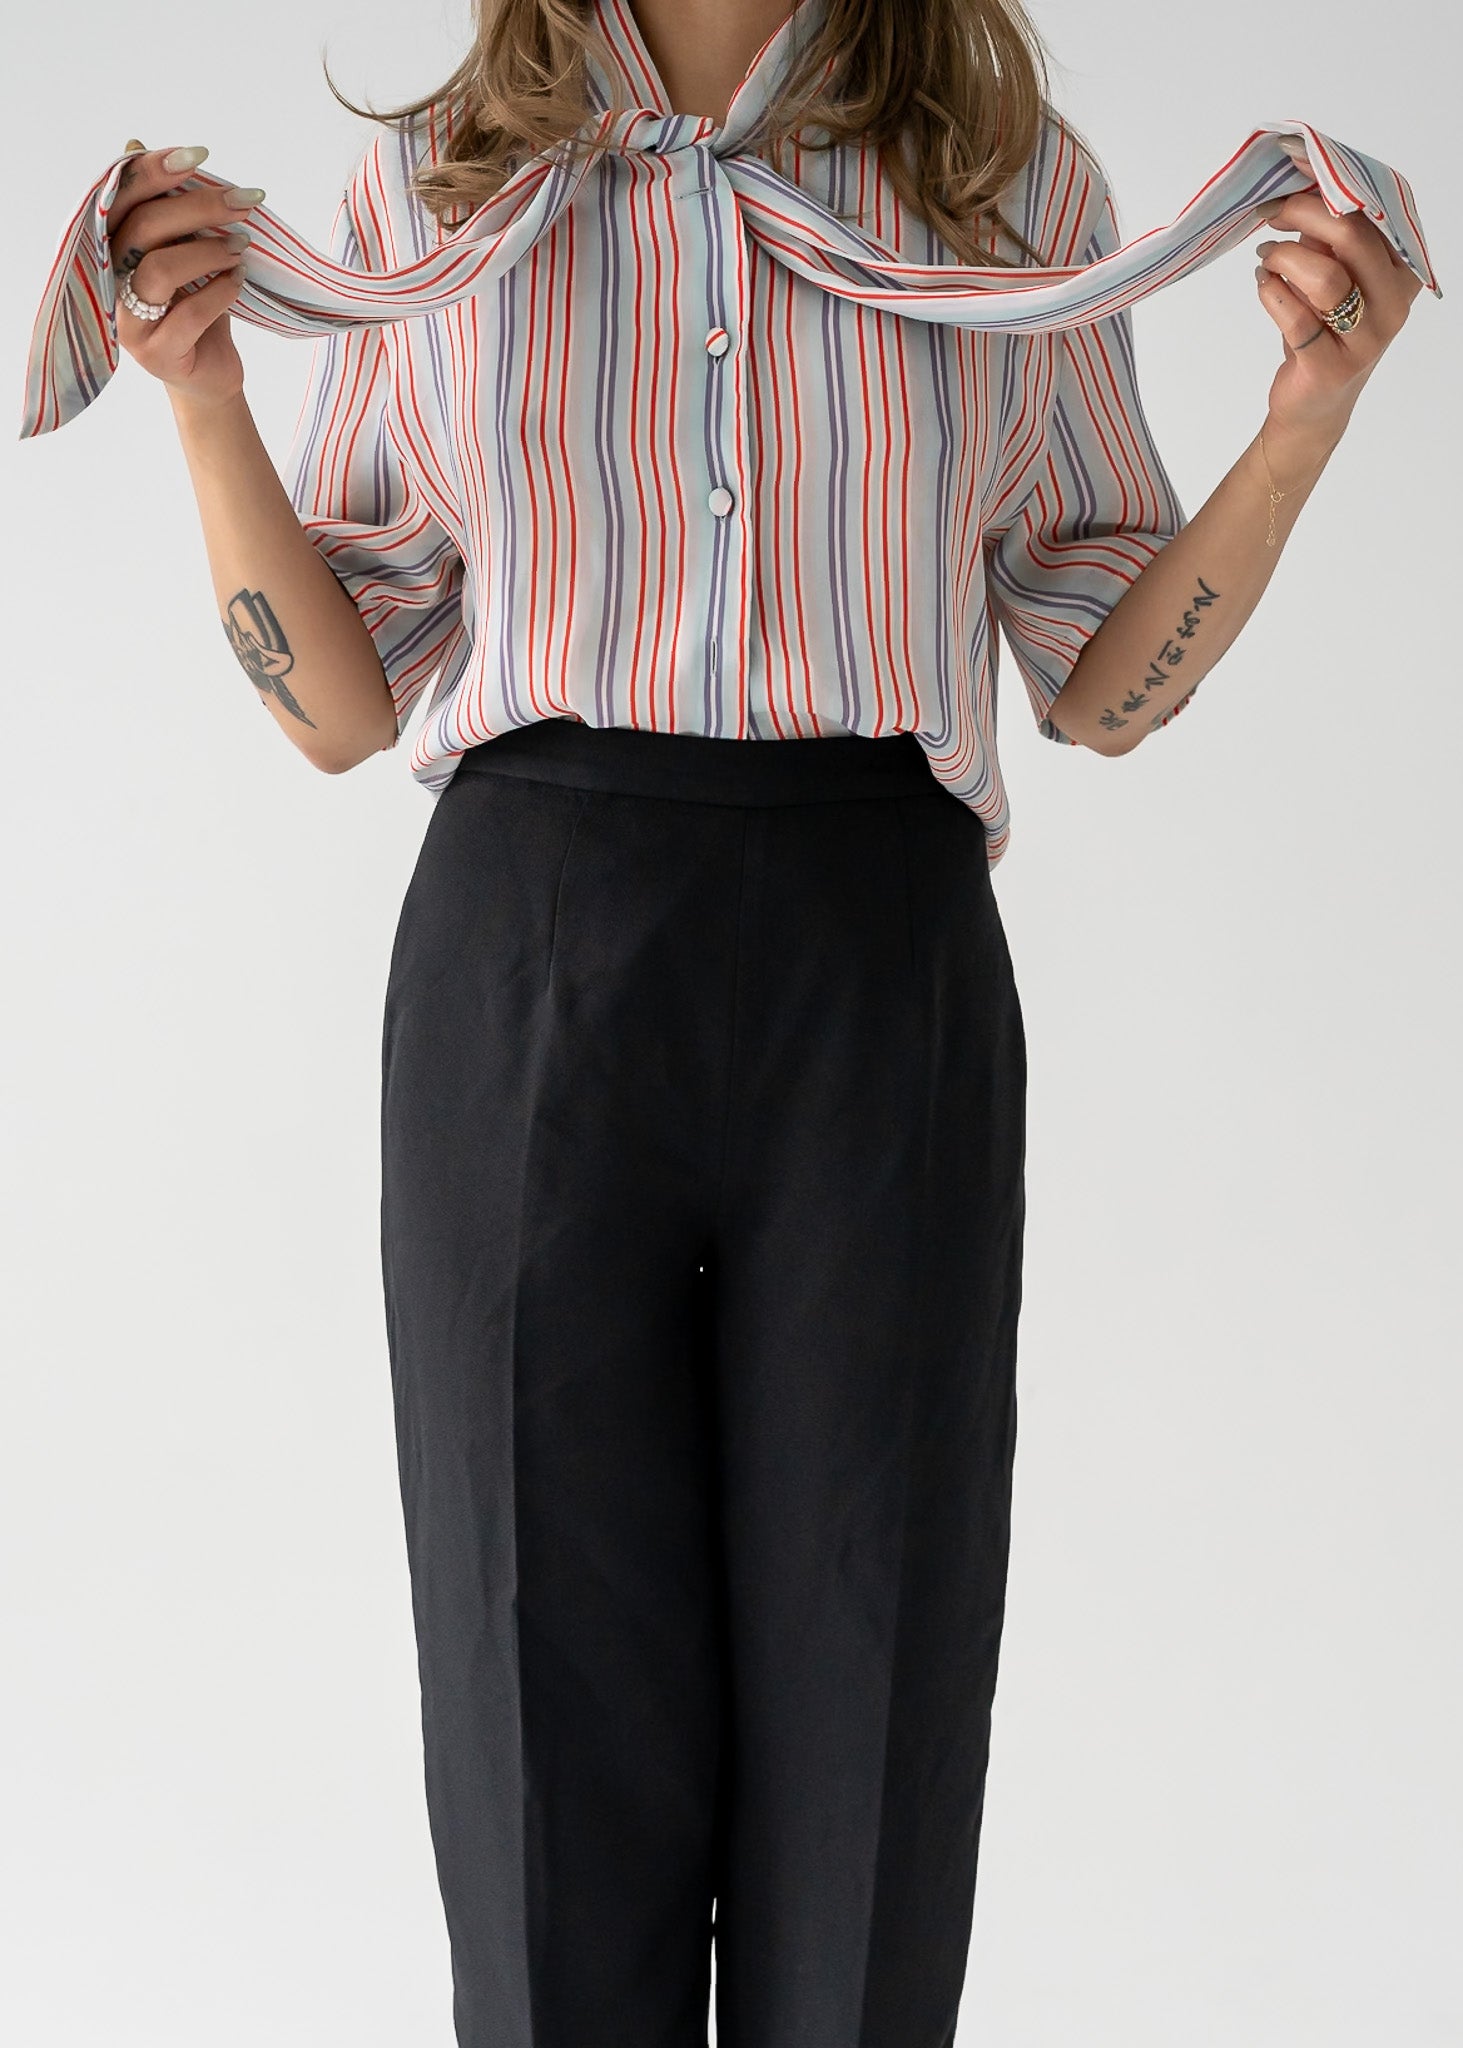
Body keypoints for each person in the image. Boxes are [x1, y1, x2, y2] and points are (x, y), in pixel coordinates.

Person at [23, 2, 1434, 2042]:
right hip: (532, 947)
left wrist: (1305, 410)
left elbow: (1103, 684)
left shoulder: (1009, 189)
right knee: (539, 1731)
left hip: (879, 957)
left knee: (874, 1694)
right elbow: (341, 704)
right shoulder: (434, 193)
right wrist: (203, 396)